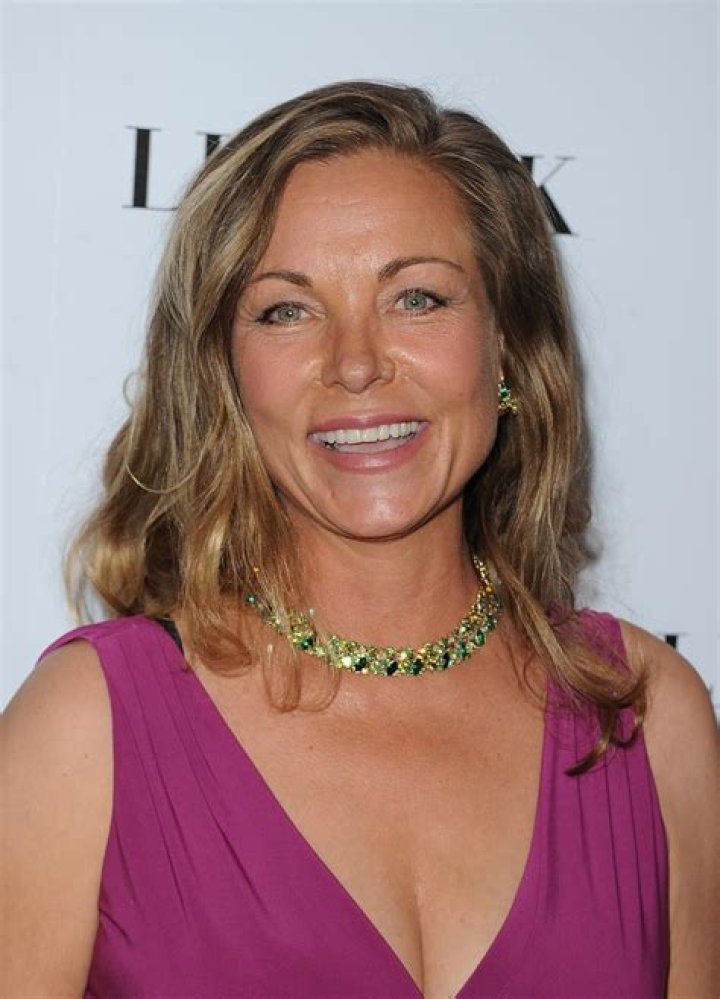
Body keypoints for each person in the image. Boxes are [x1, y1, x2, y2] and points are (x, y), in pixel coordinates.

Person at [1, 81, 717, 999]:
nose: (356, 363)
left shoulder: (649, 718)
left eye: (417, 297)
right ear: (224, 374)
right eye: (286, 310)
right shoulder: (86, 729)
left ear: (508, 345)